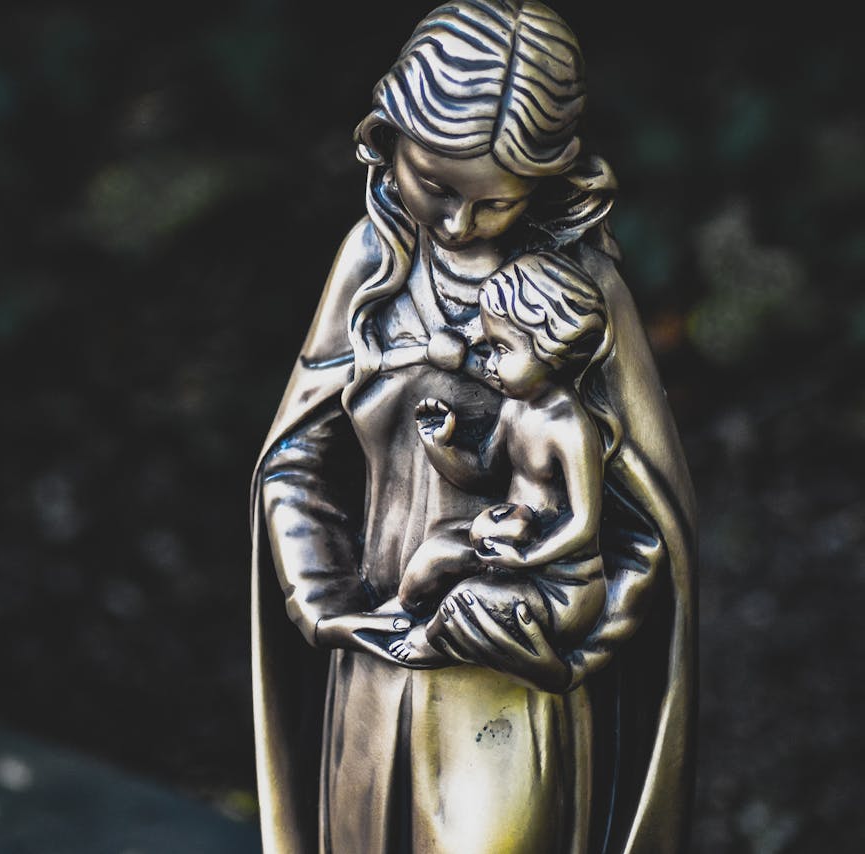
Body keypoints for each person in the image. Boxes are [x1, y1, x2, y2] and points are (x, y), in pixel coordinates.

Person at [250, 3, 697, 853]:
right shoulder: (370, 266)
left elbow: (649, 523)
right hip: (377, 664)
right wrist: (325, 601)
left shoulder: (579, 293)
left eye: (493, 205)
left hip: (510, 692)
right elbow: (295, 460)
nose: (456, 224)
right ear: (387, 142)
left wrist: (570, 641)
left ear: (545, 185)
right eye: (437, 187)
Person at [391, 252, 615, 658]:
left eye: (501, 349)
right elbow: (483, 472)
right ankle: (402, 611)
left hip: (561, 582)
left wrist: (527, 557)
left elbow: (584, 524)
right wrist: (440, 446)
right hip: (506, 549)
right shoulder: (516, 408)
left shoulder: (570, 429)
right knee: (435, 554)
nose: (488, 364)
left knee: (470, 599)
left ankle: (433, 641)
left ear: (550, 349)